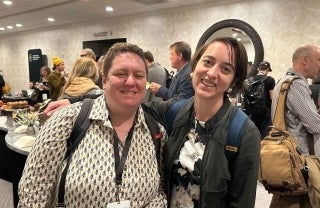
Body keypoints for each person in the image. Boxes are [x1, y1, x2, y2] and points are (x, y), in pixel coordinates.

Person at [43, 37, 261, 207]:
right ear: (196, 65)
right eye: (208, 62)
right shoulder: (177, 112)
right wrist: (76, 100)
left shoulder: (243, 132)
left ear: (234, 79)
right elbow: (129, 98)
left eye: (226, 69)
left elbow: (241, 202)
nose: (212, 73)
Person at [18, 43, 167, 207]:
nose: (131, 81)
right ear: (104, 80)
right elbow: (33, 195)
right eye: (121, 73)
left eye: (138, 75)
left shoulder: (155, 131)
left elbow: (158, 191)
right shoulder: (66, 122)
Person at [270, 44, 320, 207]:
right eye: (319, 60)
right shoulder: (296, 84)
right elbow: (314, 126)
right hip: (300, 160)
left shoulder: (283, 81)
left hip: (288, 158)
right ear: (305, 60)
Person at [246, 61, 275, 138]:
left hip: (252, 111)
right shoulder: (270, 80)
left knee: (252, 133)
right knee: (263, 134)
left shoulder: (250, 80)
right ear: (268, 69)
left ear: (258, 69)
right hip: (265, 112)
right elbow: (272, 97)